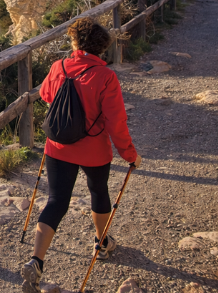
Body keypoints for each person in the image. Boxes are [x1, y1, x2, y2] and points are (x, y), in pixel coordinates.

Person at [20, 17, 142, 293]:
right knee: (98, 192)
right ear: (101, 48)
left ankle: (36, 260)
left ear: (76, 42)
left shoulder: (58, 66)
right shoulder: (106, 76)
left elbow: (46, 94)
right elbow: (116, 122)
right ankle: (102, 243)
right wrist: (129, 154)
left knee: (56, 200)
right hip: (94, 150)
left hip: (58, 146)